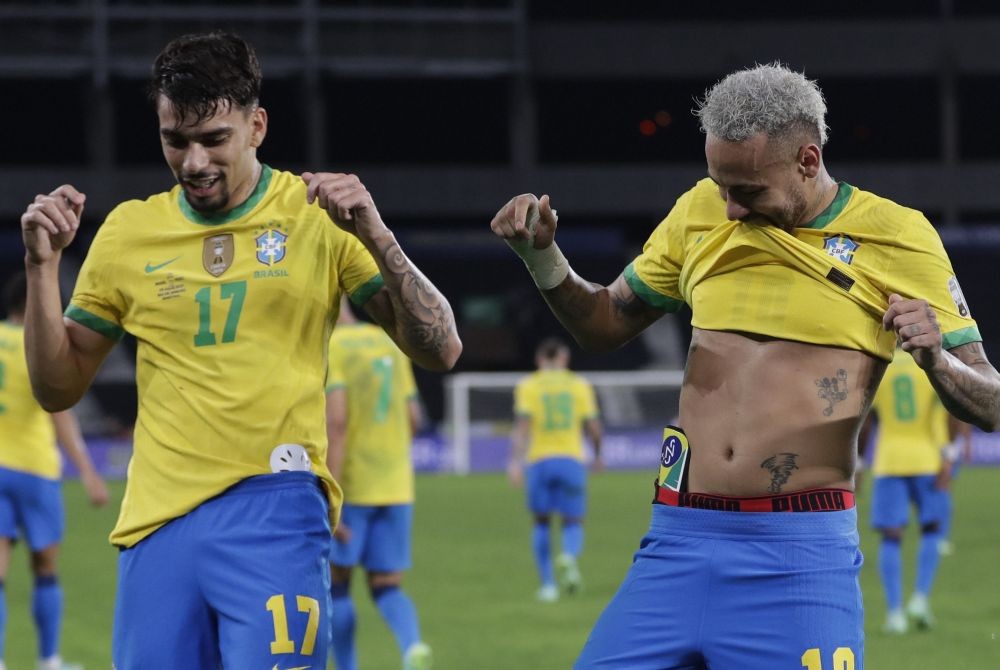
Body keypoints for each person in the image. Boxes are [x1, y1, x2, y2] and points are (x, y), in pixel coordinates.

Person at [489, 62, 1000, 669]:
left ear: (807, 161)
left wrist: (937, 359)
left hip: (800, 557)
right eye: (719, 185)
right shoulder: (700, 210)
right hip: (675, 541)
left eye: (747, 192)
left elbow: (991, 399)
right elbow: (604, 322)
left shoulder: (899, 237)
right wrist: (543, 258)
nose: (728, 207)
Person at [19, 31, 460, 669]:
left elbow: (441, 346)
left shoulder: (317, 217)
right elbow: (56, 388)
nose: (194, 161)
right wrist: (41, 269)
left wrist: (375, 230)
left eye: (213, 139)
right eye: (176, 140)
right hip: (157, 525)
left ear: (256, 126)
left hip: (276, 508)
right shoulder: (128, 232)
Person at [0, 272, 109, 670]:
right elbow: (59, 413)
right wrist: (89, 473)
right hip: (34, 470)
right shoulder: (37, 343)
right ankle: (49, 661)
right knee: (45, 567)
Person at [325, 298, 432, 670]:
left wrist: (331, 494)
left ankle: (349, 666)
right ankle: (412, 646)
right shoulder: (388, 341)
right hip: (397, 484)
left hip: (354, 484)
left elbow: (335, 424)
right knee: (387, 584)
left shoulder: (330, 348)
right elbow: (414, 417)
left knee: (336, 585)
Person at [859, 349, 970, 633]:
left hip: (889, 460)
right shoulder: (930, 363)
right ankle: (920, 599)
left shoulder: (882, 366)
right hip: (928, 458)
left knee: (891, 536)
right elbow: (953, 411)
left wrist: (859, 462)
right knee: (932, 528)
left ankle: (894, 613)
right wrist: (951, 454)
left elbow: (867, 421)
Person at [508, 337, 603, 603]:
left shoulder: (528, 385)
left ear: (539, 360)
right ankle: (569, 556)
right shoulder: (579, 385)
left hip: (539, 461)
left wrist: (515, 462)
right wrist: (597, 455)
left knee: (541, 522)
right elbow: (594, 427)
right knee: (573, 521)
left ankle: (548, 586)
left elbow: (522, 427)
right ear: (564, 359)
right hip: (571, 460)